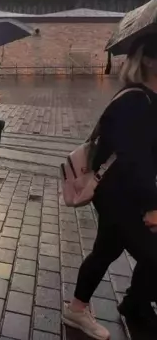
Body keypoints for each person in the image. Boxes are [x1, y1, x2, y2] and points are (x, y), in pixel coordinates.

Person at [63, 35, 157, 339]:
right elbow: (133, 159)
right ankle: (133, 303)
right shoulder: (135, 100)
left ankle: (97, 307)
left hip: (128, 191)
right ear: (149, 60)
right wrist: (153, 205)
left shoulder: (149, 98)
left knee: (106, 250)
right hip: (120, 193)